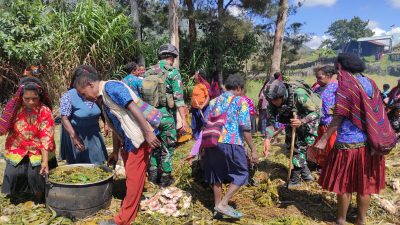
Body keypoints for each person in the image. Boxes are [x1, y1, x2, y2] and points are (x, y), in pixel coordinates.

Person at [72, 65, 161, 225]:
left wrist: (148, 132)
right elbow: (115, 125)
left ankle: (122, 220)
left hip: (139, 138)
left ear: (90, 85)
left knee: (133, 179)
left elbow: (132, 107)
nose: (85, 98)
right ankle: (134, 205)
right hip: (129, 140)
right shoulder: (101, 99)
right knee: (135, 175)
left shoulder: (111, 87)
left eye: (83, 94)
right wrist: (115, 151)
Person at [314, 53, 387, 225]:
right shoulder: (371, 83)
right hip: (370, 144)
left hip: (348, 144)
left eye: (338, 69)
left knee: (344, 184)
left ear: (342, 67)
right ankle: (360, 220)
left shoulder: (345, 86)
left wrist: (324, 138)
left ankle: (341, 219)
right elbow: (378, 111)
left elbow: (338, 116)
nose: (337, 74)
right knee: (364, 185)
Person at [203, 74, 259, 219]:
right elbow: (245, 128)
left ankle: (217, 208)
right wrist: (253, 149)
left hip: (213, 141)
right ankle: (223, 202)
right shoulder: (241, 101)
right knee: (242, 173)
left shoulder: (213, 101)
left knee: (216, 174)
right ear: (239, 88)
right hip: (232, 142)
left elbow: (206, 124)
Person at [0, 77, 55, 203]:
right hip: (17, 147)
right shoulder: (14, 109)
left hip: (38, 150)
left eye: (34, 98)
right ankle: (19, 195)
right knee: (13, 174)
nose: (31, 102)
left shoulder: (44, 111)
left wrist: (45, 161)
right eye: (27, 99)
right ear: (21, 97)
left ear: (40, 96)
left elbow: (45, 137)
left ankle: (39, 196)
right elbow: (3, 127)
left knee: (35, 174)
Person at [143, 43, 188, 187]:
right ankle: (165, 178)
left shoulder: (148, 72)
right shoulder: (173, 73)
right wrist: (184, 121)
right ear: (171, 57)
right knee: (168, 146)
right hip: (167, 117)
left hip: (150, 117)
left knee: (154, 145)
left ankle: (153, 175)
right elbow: (179, 100)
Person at [263, 79, 320, 187]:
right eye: (271, 100)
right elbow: (270, 121)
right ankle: (307, 176)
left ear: (282, 95)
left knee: (298, 149)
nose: (273, 102)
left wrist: (302, 121)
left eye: (275, 100)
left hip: (307, 121)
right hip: (291, 121)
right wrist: (267, 138)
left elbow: (316, 113)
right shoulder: (272, 102)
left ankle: (295, 180)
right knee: (291, 148)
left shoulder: (299, 95)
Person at [59, 66, 108, 164]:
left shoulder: (95, 92)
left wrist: (106, 122)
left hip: (93, 132)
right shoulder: (68, 96)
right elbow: (64, 118)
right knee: (78, 164)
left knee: (97, 160)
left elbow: (102, 109)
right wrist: (74, 137)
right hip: (76, 133)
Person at [310, 65, 338, 168]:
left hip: (330, 124)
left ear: (328, 76)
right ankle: (321, 165)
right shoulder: (316, 89)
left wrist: (332, 111)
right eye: (316, 78)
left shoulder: (335, 87)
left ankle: (332, 166)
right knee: (319, 146)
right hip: (318, 123)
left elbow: (341, 104)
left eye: (320, 78)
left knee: (330, 146)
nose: (317, 80)